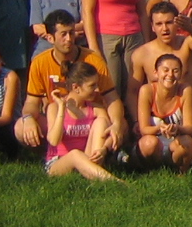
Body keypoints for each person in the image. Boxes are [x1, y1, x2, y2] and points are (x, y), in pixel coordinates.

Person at [16, 10, 126, 152]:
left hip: (90, 118)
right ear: (50, 38)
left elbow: (112, 98)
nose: (69, 39)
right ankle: (50, 152)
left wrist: (116, 123)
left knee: (122, 125)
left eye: (71, 33)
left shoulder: (93, 60)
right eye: (63, 34)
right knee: (21, 126)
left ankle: (101, 152)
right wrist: (28, 118)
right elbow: (31, 102)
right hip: (58, 119)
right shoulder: (39, 62)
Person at [126, 0, 192, 131]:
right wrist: (137, 120)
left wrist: (190, 28)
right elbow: (132, 91)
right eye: (159, 24)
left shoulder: (187, 44)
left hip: (184, 112)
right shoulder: (142, 54)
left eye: (169, 22)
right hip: (155, 115)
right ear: (152, 27)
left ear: (177, 23)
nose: (164, 29)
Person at [43, 59, 121, 182]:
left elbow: (110, 134)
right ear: (76, 87)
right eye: (92, 85)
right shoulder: (54, 108)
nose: (97, 90)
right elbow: (54, 140)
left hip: (87, 158)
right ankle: (115, 182)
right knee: (75, 154)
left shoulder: (96, 108)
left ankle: (94, 171)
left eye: (96, 85)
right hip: (58, 162)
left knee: (101, 121)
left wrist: (104, 149)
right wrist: (62, 107)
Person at [135, 53, 192, 171]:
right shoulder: (147, 90)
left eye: (175, 71)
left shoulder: (185, 91)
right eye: (165, 70)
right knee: (148, 143)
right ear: (156, 73)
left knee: (187, 142)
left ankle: (181, 172)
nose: (170, 75)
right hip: (154, 141)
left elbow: (189, 128)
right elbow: (144, 129)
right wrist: (159, 128)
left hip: (175, 141)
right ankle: (152, 171)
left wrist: (177, 128)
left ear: (181, 73)